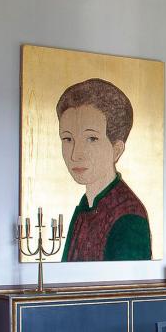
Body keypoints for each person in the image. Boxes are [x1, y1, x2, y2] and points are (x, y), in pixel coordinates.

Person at [57, 78, 152, 261]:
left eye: (91, 139)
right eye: (67, 139)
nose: (76, 154)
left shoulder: (128, 218)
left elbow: (126, 286)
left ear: (116, 150)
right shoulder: (86, 205)